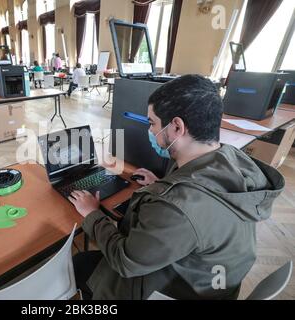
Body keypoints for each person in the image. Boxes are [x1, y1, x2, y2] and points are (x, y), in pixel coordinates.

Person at [69, 74, 285, 300]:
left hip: (171, 289)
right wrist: (161, 184)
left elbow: (125, 261)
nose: (150, 130)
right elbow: (196, 200)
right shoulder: (230, 159)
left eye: (152, 123)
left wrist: (92, 214)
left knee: (81, 263)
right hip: (210, 282)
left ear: (177, 127)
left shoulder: (176, 208)